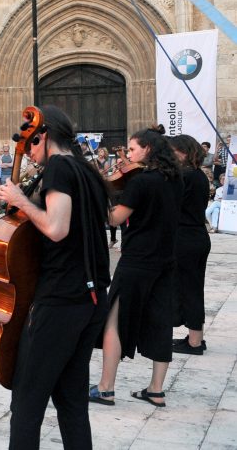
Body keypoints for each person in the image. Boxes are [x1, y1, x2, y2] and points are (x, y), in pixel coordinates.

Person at [0, 105, 111, 449]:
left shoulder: (59, 167)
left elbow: (57, 229)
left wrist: (20, 200)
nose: (28, 152)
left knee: (27, 401)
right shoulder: (86, 170)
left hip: (61, 300)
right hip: (91, 298)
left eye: (31, 144)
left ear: (43, 135)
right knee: (71, 400)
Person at [88, 126, 181, 409]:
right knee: (161, 321)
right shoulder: (175, 179)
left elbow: (115, 219)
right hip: (165, 259)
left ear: (148, 150)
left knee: (114, 320)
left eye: (131, 149)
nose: (126, 155)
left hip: (138, 260)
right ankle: (156, 390)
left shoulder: (141, 182)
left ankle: (106, 388)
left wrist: (98, 195)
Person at [167, 135, 212, 356]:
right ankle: (196, 337)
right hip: (195, 236)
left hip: (186, 238)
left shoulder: (186, 176)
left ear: (184, 152)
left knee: (190, 290)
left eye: (173, 151)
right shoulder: (197, 176)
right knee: (193, 288)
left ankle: (194, 342)